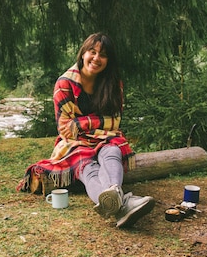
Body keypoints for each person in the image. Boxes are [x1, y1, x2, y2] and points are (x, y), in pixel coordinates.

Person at [17, 32, 155, 228]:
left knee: (112, 152)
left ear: (109, 60)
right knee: (88, 168)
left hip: (105, 138)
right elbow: (66, 128)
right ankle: (123, 205)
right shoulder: (64, 84)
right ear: (83, 53)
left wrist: (81, 123)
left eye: (103, 55)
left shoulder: (114, 84)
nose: (97, 58)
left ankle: (115, 199)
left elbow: (114, 122)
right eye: (93, 51)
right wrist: (97, 124)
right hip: (75, 143)